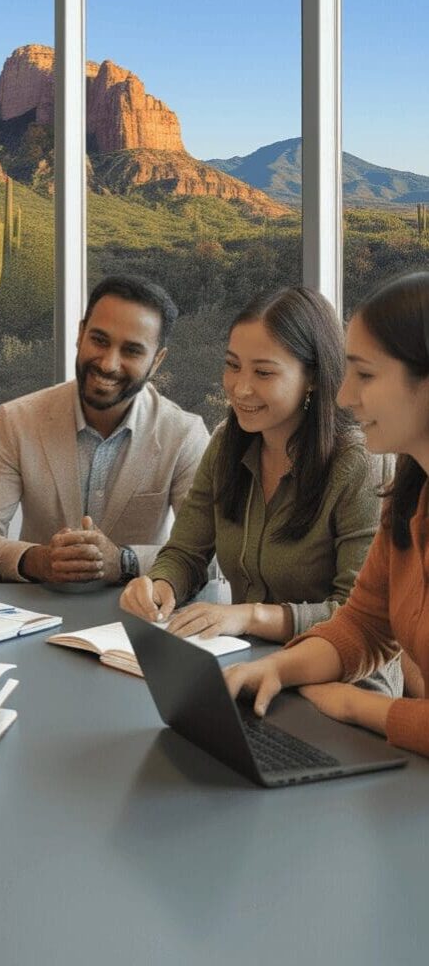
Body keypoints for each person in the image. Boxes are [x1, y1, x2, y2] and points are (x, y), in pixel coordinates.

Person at [120, 287, 400, 702]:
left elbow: (356, 617)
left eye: (263, 373)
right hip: (244, 668)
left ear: (313, 377)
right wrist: (161, 585)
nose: (240, 388)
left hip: (344, 689)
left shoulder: (358, 463)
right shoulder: (226, 442)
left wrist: (250, 616)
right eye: (232, 366)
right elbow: (186, 553)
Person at [224, 271, 429, 755]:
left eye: (366, 374)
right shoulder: (408, 493)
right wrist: (276, 669)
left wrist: (358, 707)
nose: (342, 396)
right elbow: (364, 625)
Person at [0, 274, 209, 585]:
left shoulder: (185, 435)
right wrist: (40, 560)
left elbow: (207, 555)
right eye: (99, 340)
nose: (108, 363)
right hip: (37, 612)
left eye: (131, 351)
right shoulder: (15, 420)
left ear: (157, 362)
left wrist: (124, 561)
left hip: (140, 615)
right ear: (80, 334)